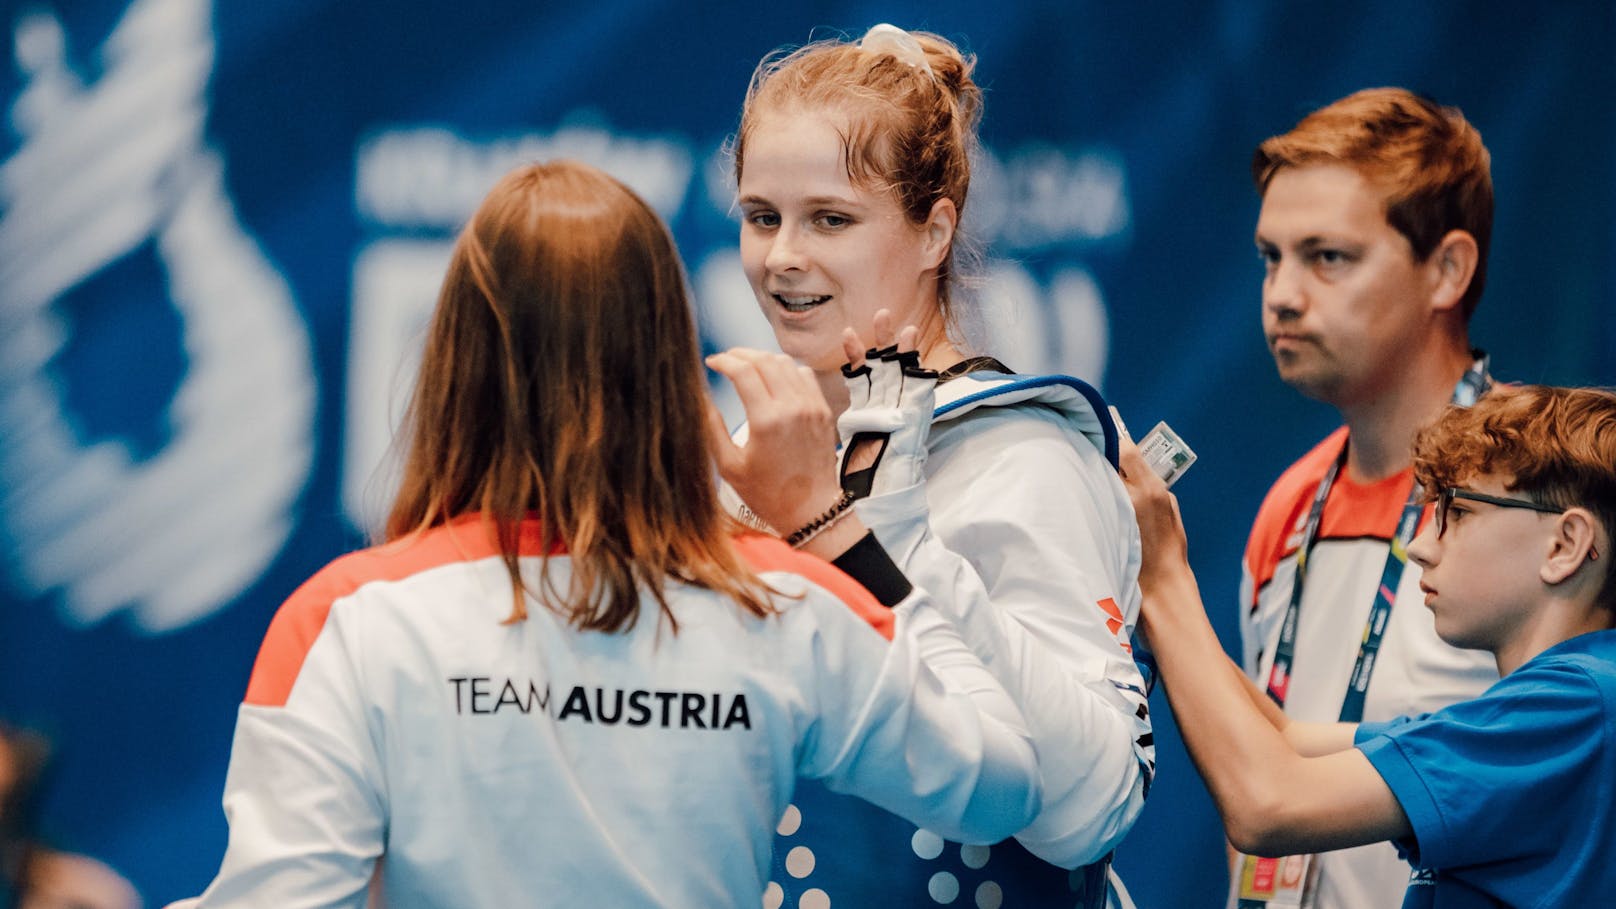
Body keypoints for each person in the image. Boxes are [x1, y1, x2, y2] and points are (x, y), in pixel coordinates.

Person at [174, 160, 1050, 908]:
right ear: (669, 356)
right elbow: (1005, 784)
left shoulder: (347, 619)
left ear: (456, 360)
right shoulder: (788, 602)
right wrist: (843, 535)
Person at [707, 23, 1153, 909]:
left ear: (933, 231)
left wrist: (887, 543)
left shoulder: (1020, 455)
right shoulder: (751, 456)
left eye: (830, 218)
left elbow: (1093, 810)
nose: (784, 255)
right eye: (763, 217)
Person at [1119, 383, 1616, 907]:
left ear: (1565, 545)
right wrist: (1156, 610)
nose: (1422, 546)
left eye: (1459, 511)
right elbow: (1284, 737)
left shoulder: (1578, 706)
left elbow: (1268, 802)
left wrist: (1166, 580)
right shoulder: (1544, 714)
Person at [1237, 88, 1503, 907]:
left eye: (1327, 257)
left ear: (1448, 270)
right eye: (1271, 256)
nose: (1283, 293)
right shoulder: (1288, 506)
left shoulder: (1537, 506)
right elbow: (1260, 792)